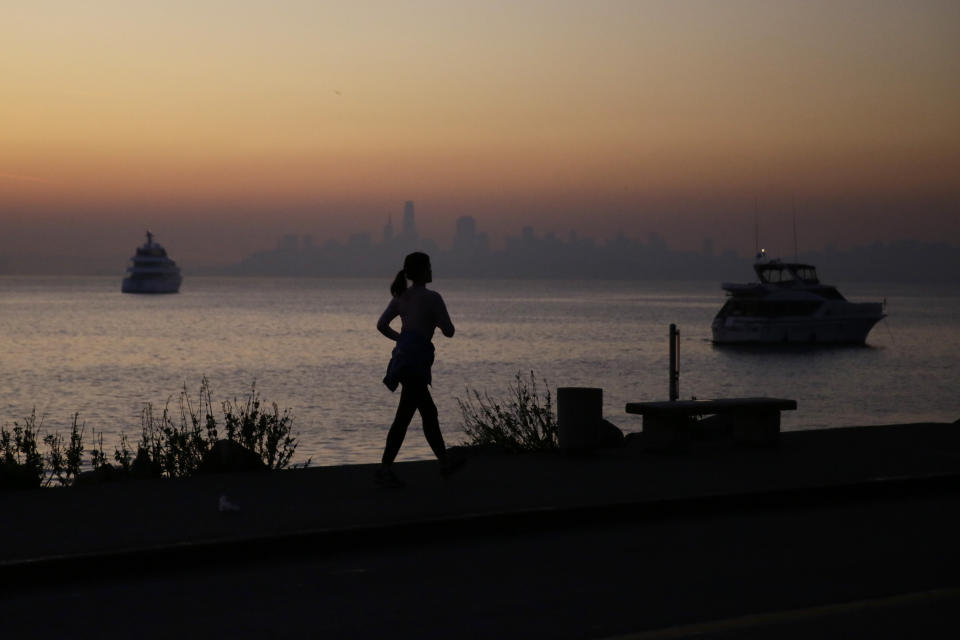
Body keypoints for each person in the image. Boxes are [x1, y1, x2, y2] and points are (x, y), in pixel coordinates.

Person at [376, 252, 463, 487]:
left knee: (426, 412)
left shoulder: (401, 297)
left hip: (403, 360)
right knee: (407, 417)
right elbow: (449, 331)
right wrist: (435, 322)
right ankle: (385, 469)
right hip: (416, 363)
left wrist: (401, 340)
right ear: (422, 271)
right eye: (429, 267)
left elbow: (381, 325)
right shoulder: (433, 298)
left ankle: (444, 463)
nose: (432, 271)